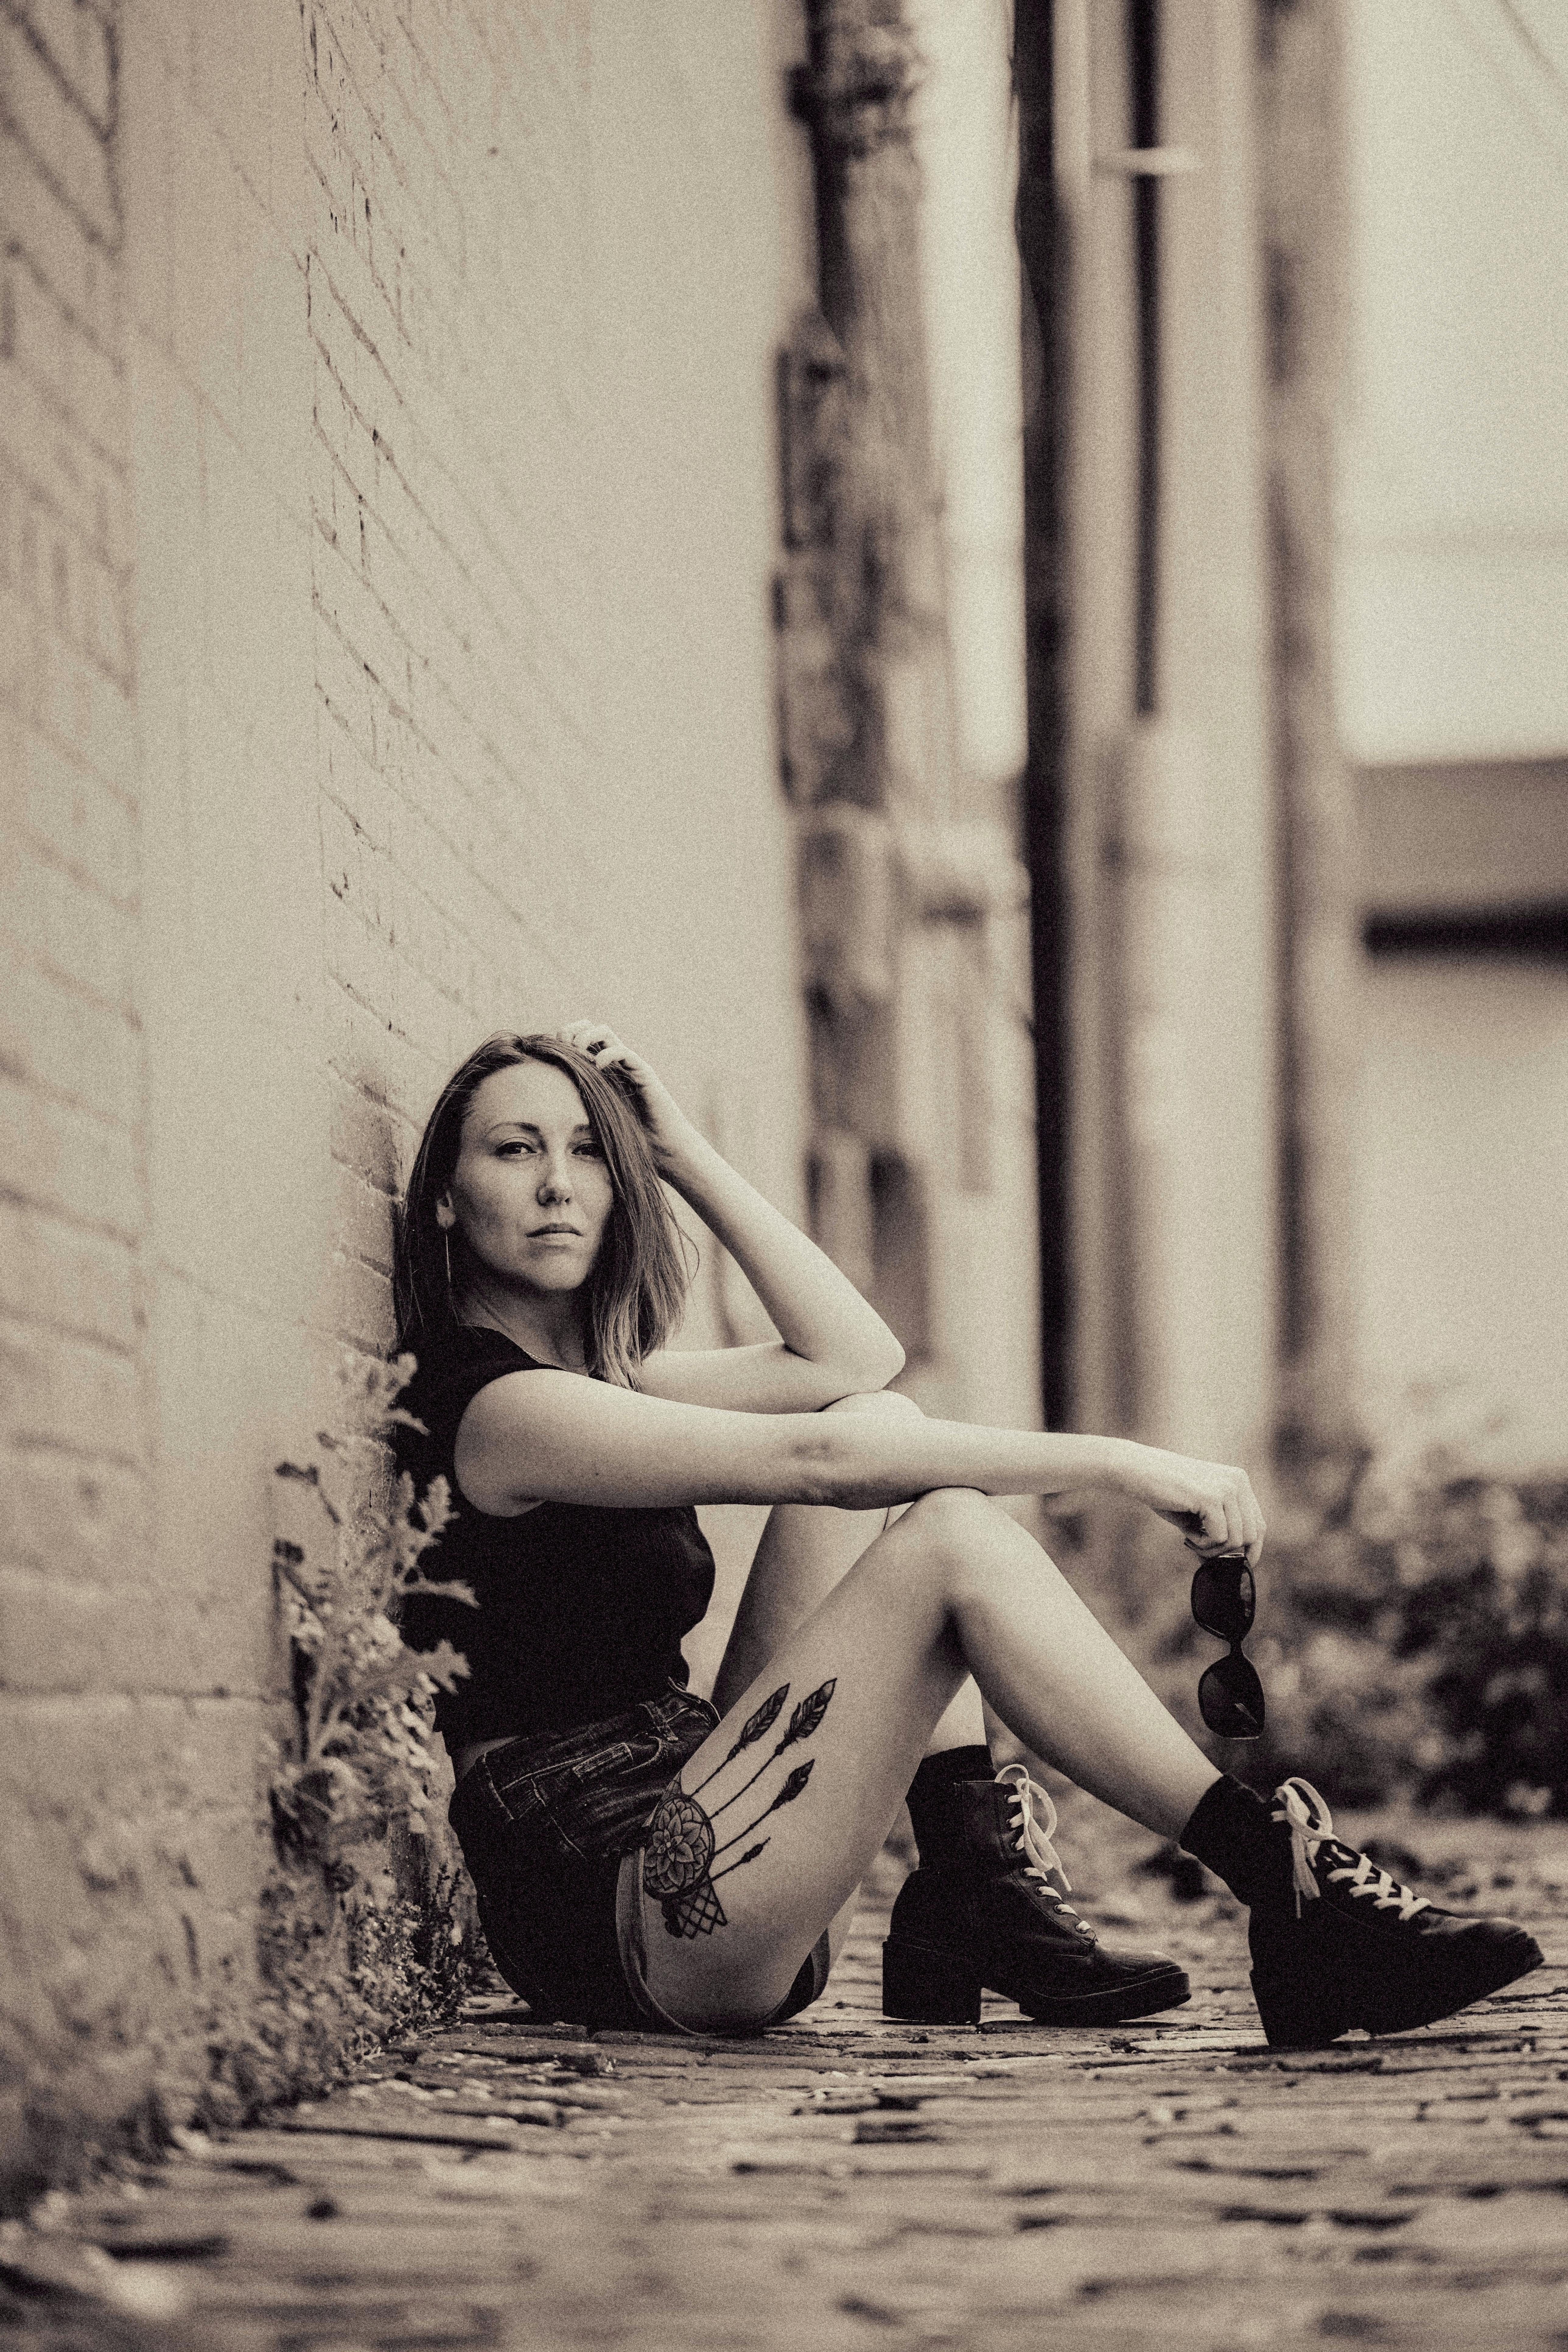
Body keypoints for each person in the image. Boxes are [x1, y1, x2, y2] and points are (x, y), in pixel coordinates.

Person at [393, 1026, 1542, 2046]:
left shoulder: (618, 1382)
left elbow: (853, 1366)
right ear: (447, 1197)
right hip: (634, 1912)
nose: (558, 1184)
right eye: (514, 1150)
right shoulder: (497, 1413)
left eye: (588, 1151)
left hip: (723, 1830)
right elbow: (819, 1466)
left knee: (883, 1424)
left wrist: (683, 1153)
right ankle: (1283, 1887)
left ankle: (968, 1887)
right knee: (936, 1522)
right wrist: (1117, 1462)